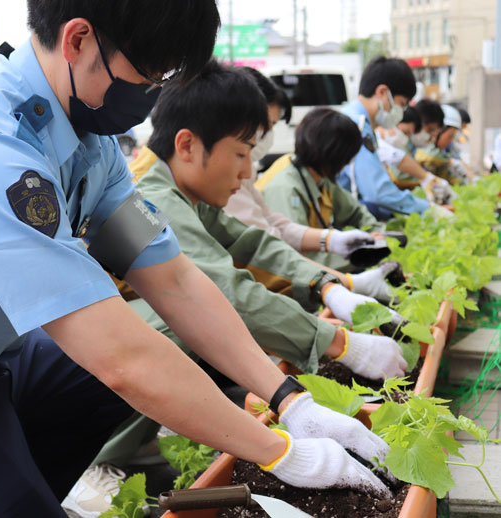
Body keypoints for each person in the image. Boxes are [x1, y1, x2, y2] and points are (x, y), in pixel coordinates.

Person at [0, 3, 393, 517]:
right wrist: (281, 453)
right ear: (80, 39)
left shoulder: (88, 144)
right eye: (149, 74)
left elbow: (171, 277)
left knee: (160, 335)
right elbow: (118, 358)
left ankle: (10, 488)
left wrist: (289, 399)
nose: (155, 94)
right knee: (121, 360)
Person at [64, 62, 405, 516]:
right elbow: (224, 290)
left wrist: (328, 284)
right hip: (73, 368)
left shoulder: (182, 192)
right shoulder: (157, 198)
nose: (247, 173)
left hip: (93, 365)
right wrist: (339, 343)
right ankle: (95, 461)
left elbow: (251, 240)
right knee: (179, 320)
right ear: (187, 145)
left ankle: (139, 437)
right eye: (242, 153)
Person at [225, 68, 390, 276]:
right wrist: (340, 279)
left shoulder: (322, 181)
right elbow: (273, 248)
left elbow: (276, 225)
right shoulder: (284, 186)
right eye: (267, 125)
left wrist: (332, 240)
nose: (249, 170)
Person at [259, 107, 389, 274]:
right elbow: (296, 259)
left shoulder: (321, 177)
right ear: (335, 155)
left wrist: (375, 233)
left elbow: (356, 212)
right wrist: (363, 256)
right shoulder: (285, 188)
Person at [335, 56, 447, 221]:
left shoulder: (355, 119)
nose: (400, 113)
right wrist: (428, 210)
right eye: (401, 104)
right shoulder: (356, 126)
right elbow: (377, 191)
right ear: (382, 92)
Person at [375, 105, 455, 202]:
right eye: (405, 132)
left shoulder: (405, 144)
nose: (431, 137)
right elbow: (398, 168)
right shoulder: (378, 142)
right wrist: (426, 179)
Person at [415, 104, 474, 185]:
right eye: (450, 136)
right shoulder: (422, 146)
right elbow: (429, 156)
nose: (450, 142)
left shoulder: (441, 152)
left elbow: (445, 173)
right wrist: (450, 161)